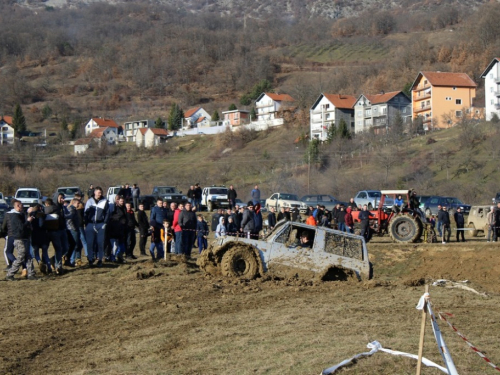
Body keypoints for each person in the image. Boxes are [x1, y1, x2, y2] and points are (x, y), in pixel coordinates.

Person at [5, 200, 36, 281]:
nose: (22, 206)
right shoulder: (14, 216)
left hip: (25, 237)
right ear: (17, 206)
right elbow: (21, 227)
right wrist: (28, 221)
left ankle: (31, 274)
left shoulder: (21, 214)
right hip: (19, 238)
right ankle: (10, 274)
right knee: (21, 256)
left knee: (28, 256)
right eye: (21, 205)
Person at [84, 186, 110, 267]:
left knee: (100, 243)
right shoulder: (89, 201)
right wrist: (86, 223)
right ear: (94, 192)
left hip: (100, 224)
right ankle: (90, 259)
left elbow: (107, 213)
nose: (100, 194)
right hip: (90, 224)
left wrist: (105, 223)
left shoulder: (105, 201)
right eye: (98, 192)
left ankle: (100, 259)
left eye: (101, 192)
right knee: (90, 243)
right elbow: (85, 213)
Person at [44, 197, 65, 274]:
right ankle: (58, 266)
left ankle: (46, 265)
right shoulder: (57, 209)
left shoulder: (44, 211)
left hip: (46, 232)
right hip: (56, 231)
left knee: (45, 249)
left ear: (46, 204)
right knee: (58, 249)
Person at [109, 196, 127, 263]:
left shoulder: (124, 208)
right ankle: (113, 257)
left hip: (122, 228)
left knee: (121, 245)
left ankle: (119, 257)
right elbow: (113, 217)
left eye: (123, 201)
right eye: (121, 201)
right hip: (115, 228)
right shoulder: (115, 208)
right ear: (118, 201)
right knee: (115, 245)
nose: (122, 202)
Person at [66, 198, 82, 267]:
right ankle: (71, 260)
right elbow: (70, 220)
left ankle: (73, 259)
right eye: (77, 203)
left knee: (78, 245)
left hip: (75, 229)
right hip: (73, 230)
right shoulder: (71, 209)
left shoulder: (74, 209)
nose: (78, 205)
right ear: (74, 203)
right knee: (75, 245)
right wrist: (74, 228)